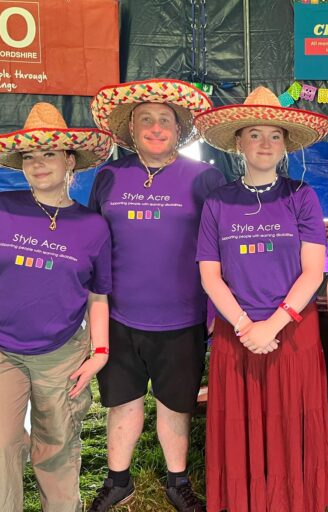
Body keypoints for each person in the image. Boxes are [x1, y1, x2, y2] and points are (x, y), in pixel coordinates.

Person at [0, 102, 114, 512]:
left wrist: (100, 352)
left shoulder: (93, 227)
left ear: (70, 160)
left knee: (57, 448)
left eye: (48, 154)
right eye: (29, 156)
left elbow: (98, 295)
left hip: (61, 353)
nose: (38, 164)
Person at [193, 86, 328, 512]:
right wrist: (244, 326)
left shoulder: (301, 196)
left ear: (286, 144)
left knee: (290, 424)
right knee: (241, 426)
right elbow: (209, 274)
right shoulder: (218, 201)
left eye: (274, 135)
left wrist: (271, 326)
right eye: (254, 134)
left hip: (291, 332)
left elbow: (314, 271)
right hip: (235, 333)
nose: (264, 143)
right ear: (238, 142)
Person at [87, 78, 226, 512]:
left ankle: (177, 482)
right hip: (120, 315)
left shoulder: (205, 177)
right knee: (122, 402)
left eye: (164, 119)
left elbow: (222, 244)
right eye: (144, 119)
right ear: (130, 129)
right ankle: (117, 481)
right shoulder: (108, 176)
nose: (154, 127)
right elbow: (92, 241)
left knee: (175, 405)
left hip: (182, 317)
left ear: (179, 129)